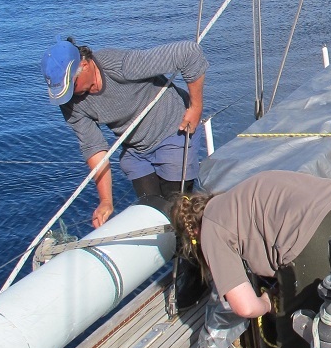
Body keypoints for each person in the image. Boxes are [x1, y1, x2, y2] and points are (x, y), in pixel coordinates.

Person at [169, 170, 331, 348]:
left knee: (298, 338)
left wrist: (268, 302)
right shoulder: (238, 195)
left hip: (320, 239)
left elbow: (245, 307)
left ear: (192, 235)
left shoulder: (210, 228)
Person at [41, 37, 208, 226]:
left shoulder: (121, 65)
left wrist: (195, 108)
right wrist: (106, 201)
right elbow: (93, 147)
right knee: (151, 213)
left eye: (71, 85)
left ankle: (195, 245)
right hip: (136, 150)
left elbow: (189, 53)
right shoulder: (70, 101)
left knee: (178, 211)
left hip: (173, 130)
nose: (69, 94)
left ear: (85, 65)